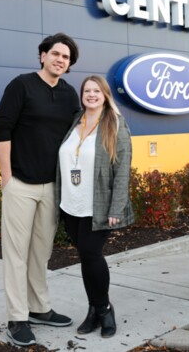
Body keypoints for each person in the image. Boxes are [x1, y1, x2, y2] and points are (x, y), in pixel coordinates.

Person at [0, 33, 80, 347]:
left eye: (66, 58)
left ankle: (39, 308)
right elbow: (3, 127)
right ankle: (17, 318)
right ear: (42, 55)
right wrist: (6, 176)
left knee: (41, 252)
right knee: (16, 254)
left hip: (52, 186)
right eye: (56, 54)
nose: (61, 60)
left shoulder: (70, 95)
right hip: (20, 182)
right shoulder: (21, 85)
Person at [56, 75, 134, 338]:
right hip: (71, 204)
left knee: (91, 254)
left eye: (96, 91)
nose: (91, 95)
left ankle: (104, 309)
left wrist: (116, 207)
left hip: (98, 205)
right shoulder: (75, 121)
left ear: (105, 95)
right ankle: (93, 310)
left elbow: (123, 169)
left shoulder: (115, 124)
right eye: (87, 91)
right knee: (86, 258)